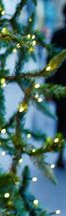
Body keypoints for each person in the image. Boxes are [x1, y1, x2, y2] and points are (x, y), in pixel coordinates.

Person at [48, 5, 66, 168]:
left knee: (61, 120)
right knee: (61, 120)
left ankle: (60, 152)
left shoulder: (58, 35)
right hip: (61, 86)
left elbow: (50, 63)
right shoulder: (58, 35)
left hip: (60, 86)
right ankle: (60, 152)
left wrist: (49, 86)